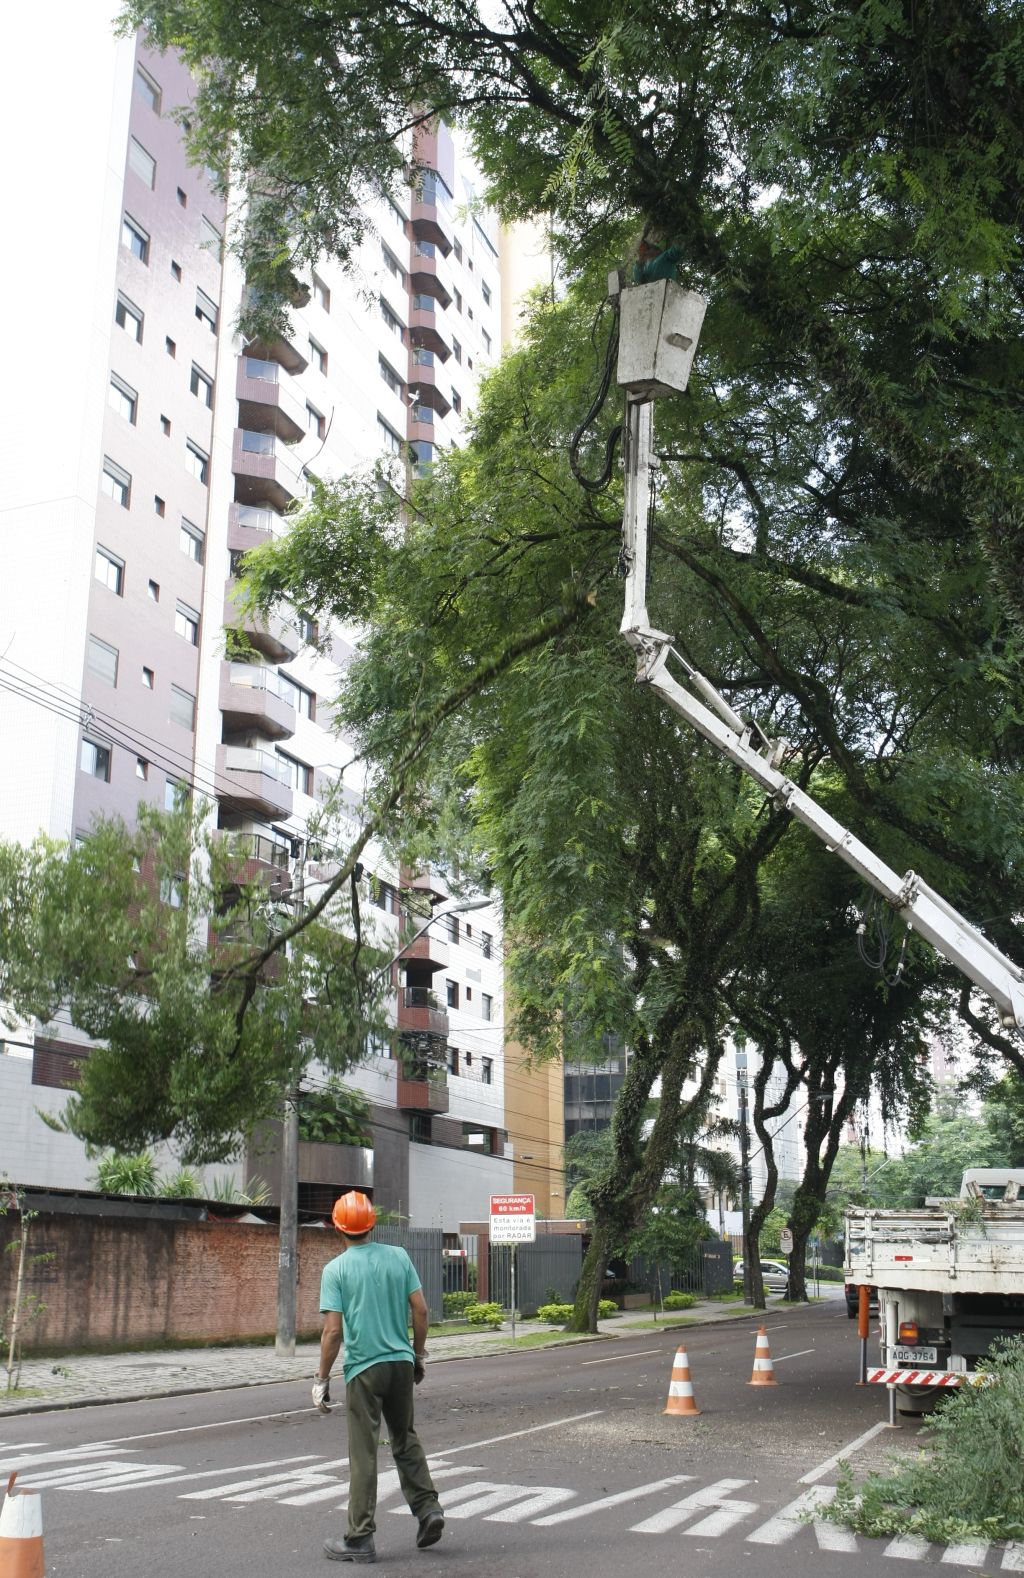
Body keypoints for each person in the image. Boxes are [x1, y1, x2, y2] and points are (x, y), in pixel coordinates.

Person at [313, 1190, 444, 1564]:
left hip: (364, 1370)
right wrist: (417, 1354)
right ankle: (428, 1509)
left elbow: (333, 1333)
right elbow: (420, 1310)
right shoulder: (398, 1257)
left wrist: (322, 1380)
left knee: (364, 1451)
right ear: (371, 1224)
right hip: (401, 1363)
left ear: (338, 1227)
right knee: (405, 1439)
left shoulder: (335, 1270)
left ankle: (359, 1537)